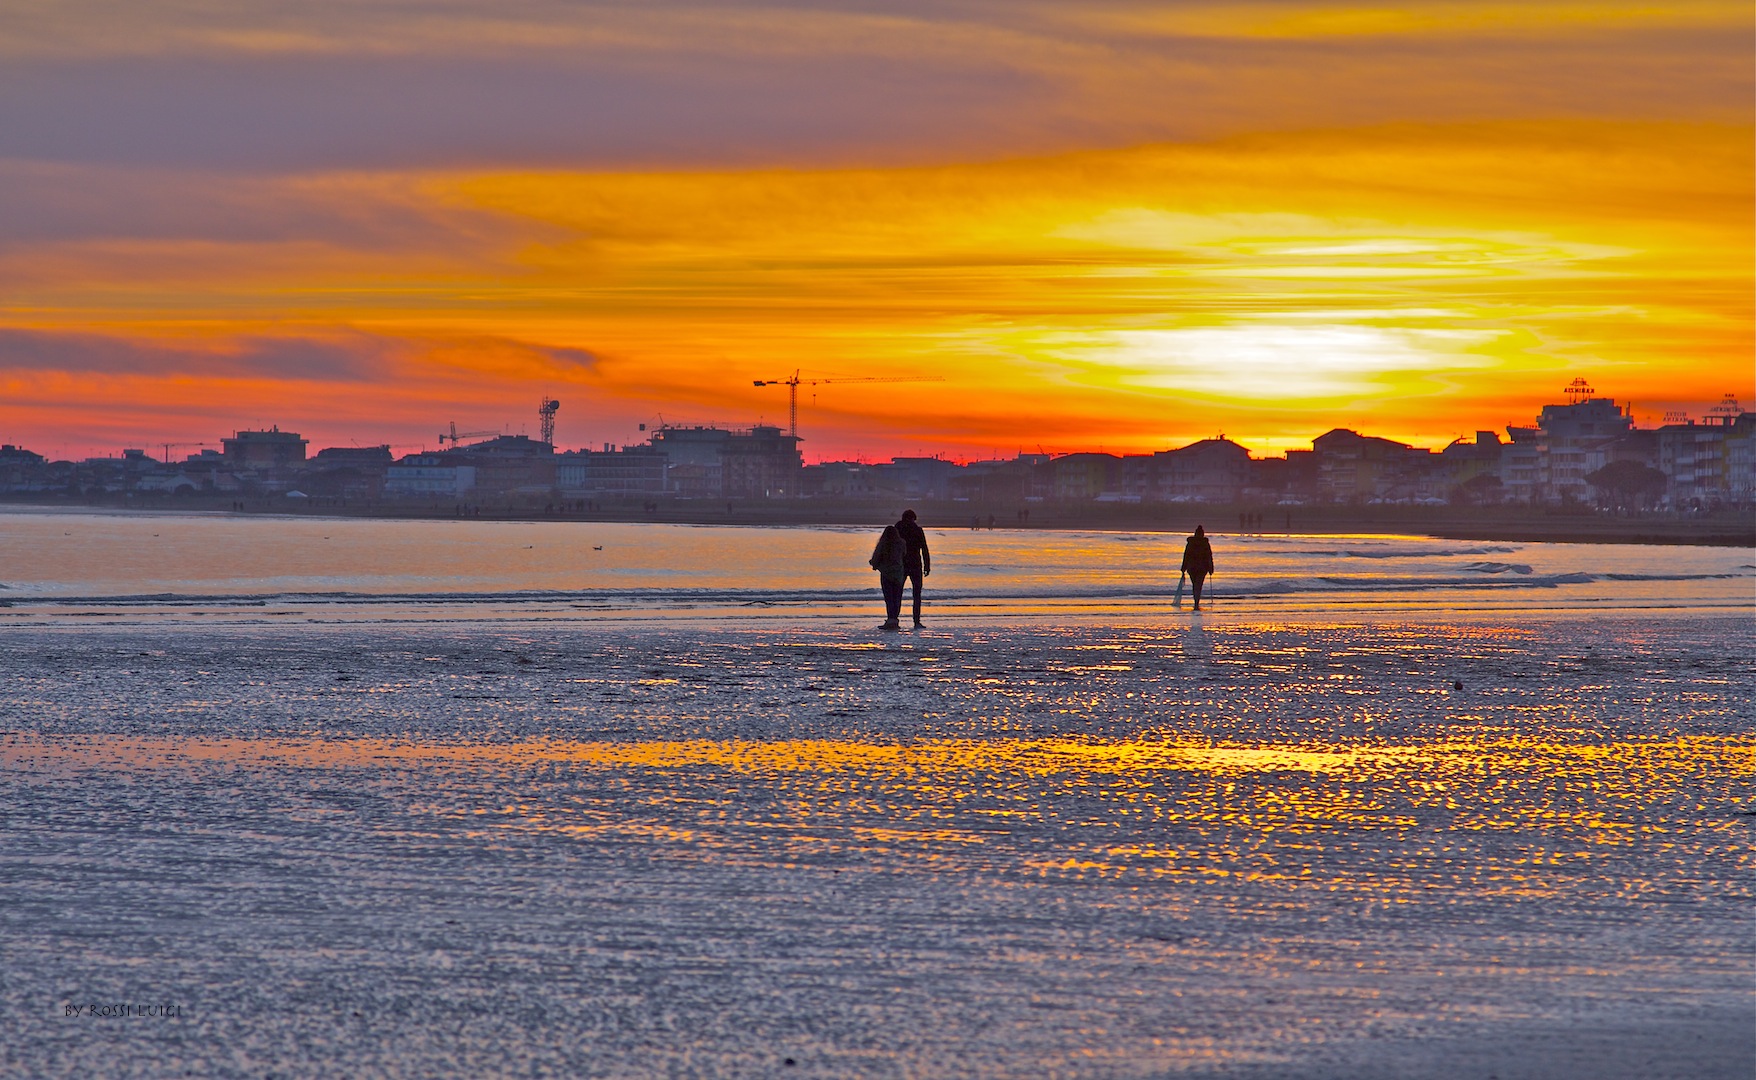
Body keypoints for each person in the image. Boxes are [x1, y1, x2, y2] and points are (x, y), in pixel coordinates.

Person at [895, 508, 931, 627]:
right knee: (916, 594)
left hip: (902, 564)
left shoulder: (898, 528)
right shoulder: (917, 530)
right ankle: (916, 621)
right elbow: (924, 549)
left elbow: (892, 548)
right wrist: (927, 565)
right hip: (915, 564)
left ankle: (894, 619)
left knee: (898, 593)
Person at [869, 523, 908, 630]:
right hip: (898, 574)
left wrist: (874, 564)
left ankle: (891, 620)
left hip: (886, 574)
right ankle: (894, 620)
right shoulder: (902, 543)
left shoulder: (884, 544)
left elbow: (876, 557)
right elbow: (904, 555)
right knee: (897, 597)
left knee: (889, 598)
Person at [1181, 524, 1215, 611]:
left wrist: (1183, 567)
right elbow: (1209, 557)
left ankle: (1196, 601)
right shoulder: (1205, 544)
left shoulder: (1190, 543)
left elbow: (1186, 555)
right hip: (1202, 568)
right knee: (1198, 585)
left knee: (1194, 584)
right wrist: (1211, 568)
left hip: (1191, 567)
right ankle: (1196, 602)